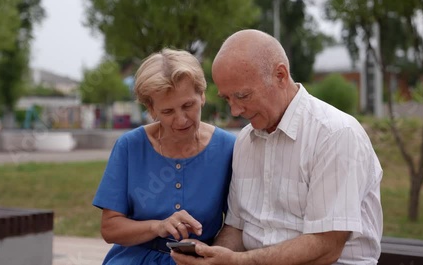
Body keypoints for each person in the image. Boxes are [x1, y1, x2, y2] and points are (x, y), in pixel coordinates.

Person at [172, 29, 383, 265]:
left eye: (242, 96)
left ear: (280, 75)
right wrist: (212, 257)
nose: (235, 111)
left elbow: (327, 246)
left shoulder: (335, 134)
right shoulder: (245, 140)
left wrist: (237, 262)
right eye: (227, 99)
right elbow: (237, 227)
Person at [93, 48, 236, 265]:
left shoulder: (228, 148)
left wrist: (213, 255)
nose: (181, 120)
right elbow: (110, 228)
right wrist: (157, 227)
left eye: (188, 105)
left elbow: (237, 224)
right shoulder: (130, 146)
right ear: (151, 109)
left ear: (202, 95)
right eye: (168, 112)